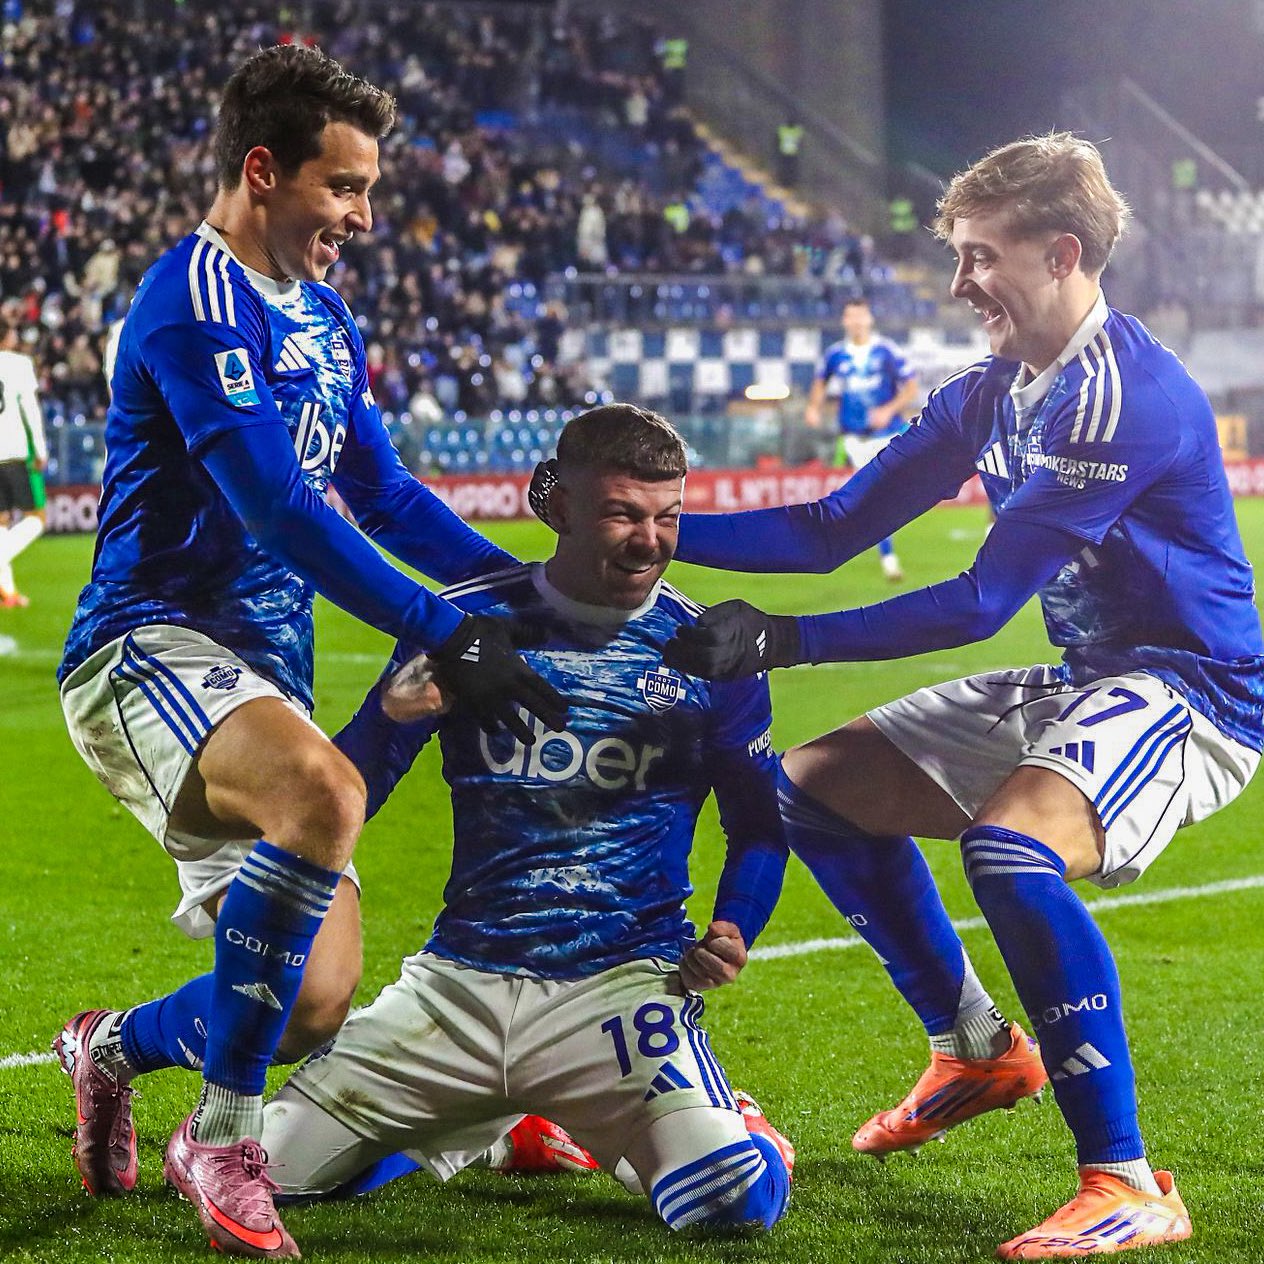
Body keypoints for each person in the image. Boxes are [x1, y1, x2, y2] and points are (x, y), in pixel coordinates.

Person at [661, 133, 1262, 1258]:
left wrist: (783, 642)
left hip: (1192, 695)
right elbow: (831, 527)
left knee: (1009, 850)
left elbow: (985, 597)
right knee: (812, 790)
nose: (958, 283)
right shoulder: (991, 391)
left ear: (1061, 253)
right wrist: (643, 524)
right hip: (1089, 681)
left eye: (980, 256)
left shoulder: (1116, 396)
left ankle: (1126, 1180)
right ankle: (975, 1045)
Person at [51, 44, 565, 1260]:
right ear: (264, 170)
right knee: (326, 786)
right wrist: (447, 626)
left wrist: (528, 592)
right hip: (145, 648)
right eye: (344, 188)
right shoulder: (191, 299)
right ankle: (221, 1136)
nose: (363, 218)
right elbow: (283, 510)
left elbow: (377, 492)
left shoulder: (323, 314)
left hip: (251, 680)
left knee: (308, 999)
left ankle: (107, 1047)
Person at [260, 403, 795, 1235]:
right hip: (456, 987)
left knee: (734, 1202)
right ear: (561, 507)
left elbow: (760, 827)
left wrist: (736, 925)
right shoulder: (467, 627)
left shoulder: (707, 650)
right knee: (263, 1174)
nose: (648, 540)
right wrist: (386, 722)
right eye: (623, 513)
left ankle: (699, 1116)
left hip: (620, 990)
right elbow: (339, 793)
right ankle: (486, 1117)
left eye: (668, 516)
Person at [804, 297, 920, 581]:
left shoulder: (886, 351)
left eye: (860, 316)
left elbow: (911, 387)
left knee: (883, 494)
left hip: (888, 433)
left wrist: (888, 409)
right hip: (855, 437)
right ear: (845, 321)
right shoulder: (835, 355)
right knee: (878, 495)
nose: (856, 322)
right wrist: (814, 406)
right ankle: (888, 558)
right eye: (850, 317)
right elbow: (820, 381)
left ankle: (879, 548)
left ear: (869, 319)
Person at [0, 321, 47, 607]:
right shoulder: (19, 364)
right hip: (13, 452)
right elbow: (30, 409)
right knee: (36, 519)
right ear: (7, 334)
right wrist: (40, 449)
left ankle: (8, 592)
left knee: (2, 521)